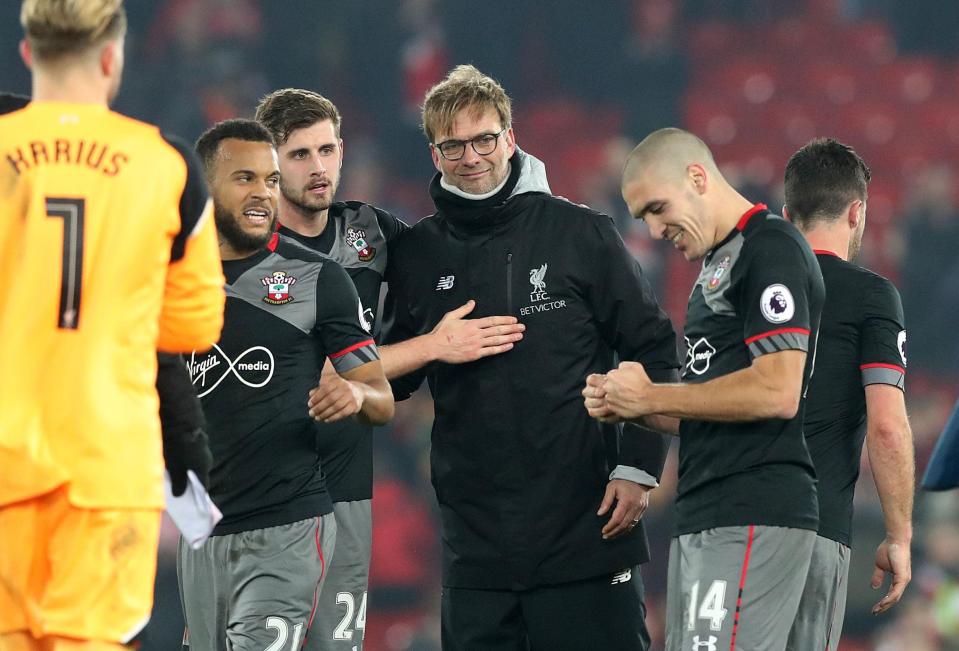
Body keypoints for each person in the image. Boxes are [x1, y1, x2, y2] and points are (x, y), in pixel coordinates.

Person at [381, 64, 680, 651]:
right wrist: (433, 345)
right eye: (453, 145)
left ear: (511, 139)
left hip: (589, 529)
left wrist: (639, 466)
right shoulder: (415, 253)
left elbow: (653, 347)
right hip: (477, 550)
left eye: (485, 139)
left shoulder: (583, 233)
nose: (472, 157)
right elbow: (386, 380)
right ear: (434, 153)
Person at [254, 87, 526, 651]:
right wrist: (431, 346)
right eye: (300, 154)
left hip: (349, 484)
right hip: (265, 485)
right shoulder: (242, 251)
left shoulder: (372, 232)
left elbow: (461, 262)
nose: (319, 167)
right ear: (268, 161)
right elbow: (322, 381)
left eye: (327, 150)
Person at [0, 1, 225, 649]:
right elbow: (191, 327)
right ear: (111, 58)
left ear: (28, 55)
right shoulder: (167, 167)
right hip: (108, 467)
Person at [585, 127, 825, 651]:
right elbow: (709, 409)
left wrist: (652, 396)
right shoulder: (717, 264)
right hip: (710, 512)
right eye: (640, 216)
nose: (650, 227)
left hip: (752, 506)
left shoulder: (770, 247)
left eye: (655, 207)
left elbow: (777, 389)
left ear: (697, 177)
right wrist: (629, 406)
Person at [178, 118, 393, 651]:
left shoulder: (319, 278)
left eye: (272, 181)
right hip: (201, 533)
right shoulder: (169, 280)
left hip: (289, 525)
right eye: (245, 179)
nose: (262, 194)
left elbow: (381, 399)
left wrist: (356, 394)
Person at [781, 138, 914, 650]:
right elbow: (887, 425)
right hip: (813, 527)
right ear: (857, 211)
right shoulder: (871, 296)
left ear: (786, 212)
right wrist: (898, 536)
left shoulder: (737, 288)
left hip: (727, 522)